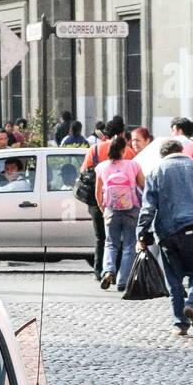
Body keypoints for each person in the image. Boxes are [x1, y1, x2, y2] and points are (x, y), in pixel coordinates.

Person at [137, 139, 193, 335]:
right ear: (181, 150)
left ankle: (180, 324)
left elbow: (148, 206)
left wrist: (141, 232)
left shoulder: (156, 171)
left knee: (174, 279)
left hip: (168, 232)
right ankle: (192, 304)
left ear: (163, 155)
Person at [81, 118, 134, 281]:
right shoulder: (128, 151)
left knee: (101, 237)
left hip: (98, 199)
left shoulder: (95, 149)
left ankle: (99, 271)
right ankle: (118, 270)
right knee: (120, 238)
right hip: (122, 200)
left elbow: (83, 171)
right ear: (122, 133)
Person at [95, 135, 144, 291]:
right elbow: (143, 185)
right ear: (124, 150)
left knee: (111, 243)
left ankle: (108, 271)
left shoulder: (102, 167)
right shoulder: (134, 165)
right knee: (129, 245)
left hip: (111, 209)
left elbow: (98, 191)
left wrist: (102, 207)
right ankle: (123, 281)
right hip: (132, 209)